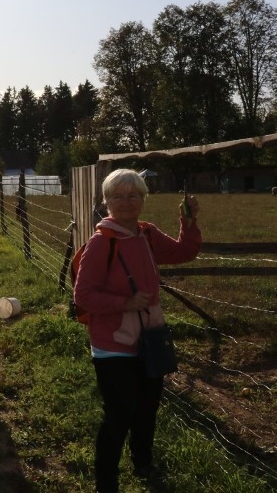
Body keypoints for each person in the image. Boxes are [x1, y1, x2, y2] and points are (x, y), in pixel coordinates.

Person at [73, 169, 201, 493]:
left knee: (147, 407)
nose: (126, 202)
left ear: (143, 198)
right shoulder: (102, 242)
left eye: (133, 195)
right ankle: (106, 483)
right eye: (118, 196)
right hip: (112, 344)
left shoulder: (148, 234)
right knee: (118, 415)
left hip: (149, 337)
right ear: (107, 202)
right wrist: (125, 302)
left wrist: (188, 222)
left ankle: (142, 462)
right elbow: (83, 296)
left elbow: (184, 253)